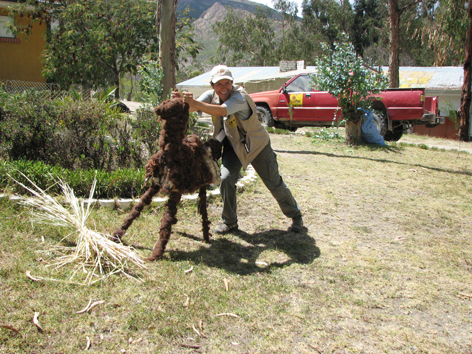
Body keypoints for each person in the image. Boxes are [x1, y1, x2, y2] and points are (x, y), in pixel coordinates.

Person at [172, 65, 304, 234]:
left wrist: (193, 102)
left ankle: (296, 215)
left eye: (227, 83)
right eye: (219, 84)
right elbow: (192, 108)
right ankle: (230, 222)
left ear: (232, 83)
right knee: (226, 179)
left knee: (273, 183)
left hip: (257, 146)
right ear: (212, 85)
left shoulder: (239, 97)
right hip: (233, 146)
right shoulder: (210, 96)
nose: (224, 87)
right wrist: (179, 101)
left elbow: (221, 110)